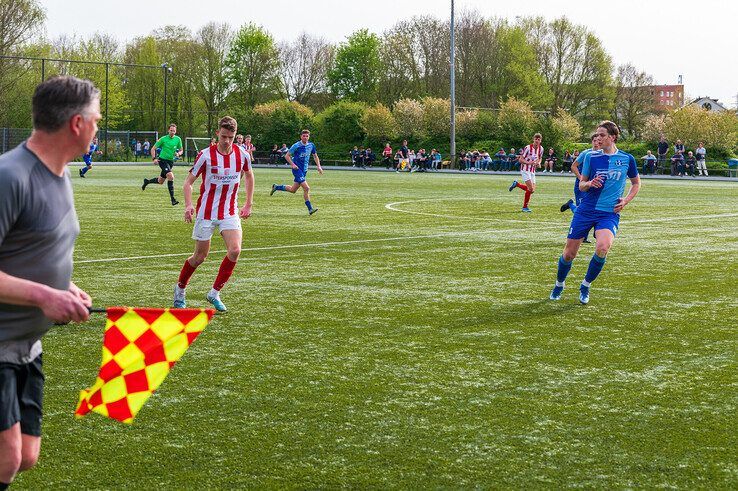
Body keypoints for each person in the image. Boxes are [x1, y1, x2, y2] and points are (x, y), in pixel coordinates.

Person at [0, 76, 96, 488]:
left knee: (26, 454)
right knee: (6, 457)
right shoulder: (10, 176)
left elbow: (37, 249)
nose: (98, 124)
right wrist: (43, 295)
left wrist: (66, 287)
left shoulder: (61, 174)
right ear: (76, 123)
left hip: (27, 345)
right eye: (96, 117)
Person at [549, 121, 640, 304]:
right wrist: (589, 184)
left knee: (603, 247)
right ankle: (559, 284)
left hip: (608, 213)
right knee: (569, 254)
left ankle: (585, 285)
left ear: (612, 137)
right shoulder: (591, 157)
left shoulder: (627, 159)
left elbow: (636, 183)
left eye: (601, 135)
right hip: (586, 211)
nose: (597, 138)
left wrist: (626, 200)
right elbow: (582, 185)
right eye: (596, 135)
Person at [174, 116, 254, 313]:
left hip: (229, 211)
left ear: (235, 136)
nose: (227, 141)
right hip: (206, 213)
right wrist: (188, 205)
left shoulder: (242, 154)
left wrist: (248, 204)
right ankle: (180, 289)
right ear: (217, 133)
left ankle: (214, 293)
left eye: (231, 137)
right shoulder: (205, 155)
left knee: (235, 250)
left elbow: (250, 175)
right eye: (224, 136)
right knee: (199, 257)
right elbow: (188, 182)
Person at [269, 129, 323, 215]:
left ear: (309, 137)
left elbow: (315, 156)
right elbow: (287, 156)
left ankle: (276, 187)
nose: (305, 137)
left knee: (293, 190)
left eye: (307, 136)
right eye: (303, 136)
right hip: (297, 170)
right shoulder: (296, 145)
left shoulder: (311, 145)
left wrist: (319, 166)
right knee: (306, 188)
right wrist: (292, 165)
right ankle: (310, 209)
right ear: (301, 136)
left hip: (304, 170)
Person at [561, 133, 600, 243]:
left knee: (593, 209)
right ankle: (570, 205)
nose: (597, 143)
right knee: (582, 210)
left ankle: (590, 233)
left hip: (593, 187)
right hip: (581, 187)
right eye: (595, 141)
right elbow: (573, 166)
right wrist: (581, 179)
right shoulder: (586, 153)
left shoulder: (603, 154)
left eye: (599, 141)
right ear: (592, 142)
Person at [142, 123, 183, 205]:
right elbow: (153, 149)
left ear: (176, 131)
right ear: (168, 130)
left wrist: (178, 154)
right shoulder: (163, 139)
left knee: (160, 181)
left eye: (174, 131)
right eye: (171, 130)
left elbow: (181, 150)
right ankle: (173, 199)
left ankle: (147, 181)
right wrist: (154, 158)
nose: (172, 132)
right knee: (171, 176)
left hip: (170, 162)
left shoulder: (178, 139)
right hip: (162, 161)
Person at [508, 133, 543, 212]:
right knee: (530, 189)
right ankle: (524, 207)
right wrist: (529, 163)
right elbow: (520, 159)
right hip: (525, 170)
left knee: (532, 190)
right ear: (533, 139)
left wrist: (539, 162)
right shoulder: (528, 148)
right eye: (536, 139)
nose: (537, 141)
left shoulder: (541, 149)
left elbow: (540, 158)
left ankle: (517, 184)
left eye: (539, 139)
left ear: (540, 141)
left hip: (532, 170)